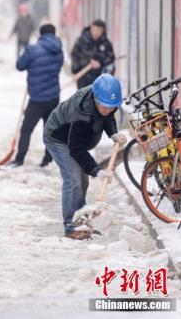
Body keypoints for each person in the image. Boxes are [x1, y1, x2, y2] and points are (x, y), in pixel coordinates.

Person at [43, 74, 127, 240]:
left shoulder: (106, 101)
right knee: (73, 179)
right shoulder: (81, 112)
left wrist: (113, 133)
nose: (109, 110)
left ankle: (80, 220)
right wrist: (97, 171)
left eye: (112, 106)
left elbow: (108, 116)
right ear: (95, 98)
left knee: (83, 181)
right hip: (58, 139)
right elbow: (76, 149)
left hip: (75, 141)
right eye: (105, 106)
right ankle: (71, 226)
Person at [4, 24, 63, 169]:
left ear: (40, 34)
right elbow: (58, 66)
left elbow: (19, 66)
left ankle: (19, 158)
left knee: (26, 129)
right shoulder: (59, 50)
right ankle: (48, 159)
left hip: (37, 98)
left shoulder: (32, 49)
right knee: (50, 130)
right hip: (54, 96)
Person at [71, 19, 115, 89]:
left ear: (103, 31)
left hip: (99, 77)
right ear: (91, 28)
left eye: (99, 30)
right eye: (94, 29)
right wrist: (75, 70)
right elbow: (74, 55)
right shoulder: (81, 41)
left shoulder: (106, 43)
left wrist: (100, 63)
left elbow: (111, 58)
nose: (96, 32)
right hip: (83, 76)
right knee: (83, 97)